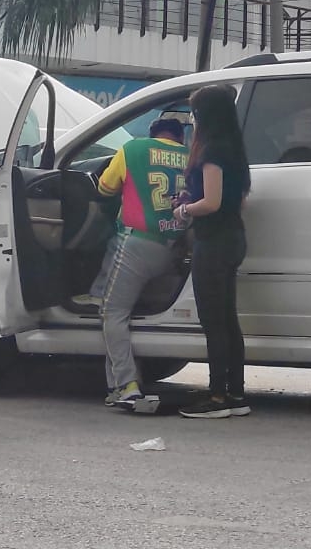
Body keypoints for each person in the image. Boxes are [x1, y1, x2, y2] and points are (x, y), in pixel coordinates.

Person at [76, 118, 189, 409]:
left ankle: (127, 385)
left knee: (112, 312)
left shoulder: (134, 149)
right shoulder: (190, 158)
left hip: (136, 245)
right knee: (112, 287)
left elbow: (105, 188)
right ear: (179, 137)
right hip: (171, 248)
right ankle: (114, 385)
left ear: (153, 135)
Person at [172, 85, 252, 419]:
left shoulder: (211, 153)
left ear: (205, 116)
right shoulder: (233, 147)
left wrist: (185, 209)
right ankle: (235, 392)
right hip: (232, 237)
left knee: (213, 321)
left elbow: (211, 202)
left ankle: (217, 396)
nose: (191, 118)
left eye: (194, 111)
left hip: (214, 241)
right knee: (228, 319)